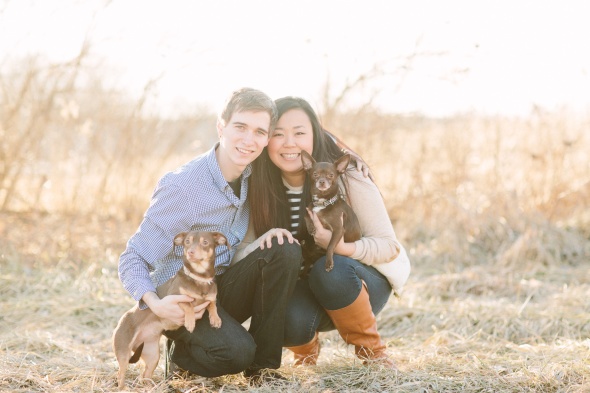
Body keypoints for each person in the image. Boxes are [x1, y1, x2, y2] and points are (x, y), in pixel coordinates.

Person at [118, 88, 302, 385]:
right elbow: (132, 258)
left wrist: (350, 163)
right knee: (236, 353)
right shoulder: (183, 188)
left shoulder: (254, 175)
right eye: (240, 127)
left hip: (218, 289)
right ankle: (181, 355)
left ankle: (264, 371)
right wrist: (155, 304)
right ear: (221, 127)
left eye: (259, 132)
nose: (248, 140)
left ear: (267, 138)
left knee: (284, 249)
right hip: (180, 301)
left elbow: (303, 151)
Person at [234, 96, 411, 369]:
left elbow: (389, 246)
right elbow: (241, 252)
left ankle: (374, 355)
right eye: (278, 134)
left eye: (299, 133)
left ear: (315, 136)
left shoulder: (348, 176)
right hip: (305, 285)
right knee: (286, 313)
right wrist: (261, 245)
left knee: (331, 270)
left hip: (356, 282)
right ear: (266, 139)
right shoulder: (259, 187)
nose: (289, 143)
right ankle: (305, 352)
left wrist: (341, 248)